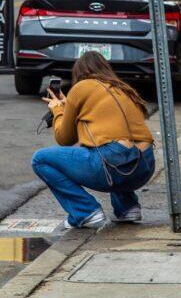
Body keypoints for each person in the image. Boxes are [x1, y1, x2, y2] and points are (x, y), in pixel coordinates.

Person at [31, 52, 155, 228]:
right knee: (114, 145)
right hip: (145, 166)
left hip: (114, 166)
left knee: (40, 159)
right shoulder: (122, 88)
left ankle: (85, 211)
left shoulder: (81, 88)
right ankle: (127, 208)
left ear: (79, 73)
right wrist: (69, 107)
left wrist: (58, 110)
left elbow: (64, 138)